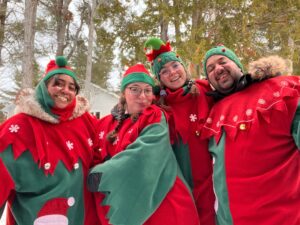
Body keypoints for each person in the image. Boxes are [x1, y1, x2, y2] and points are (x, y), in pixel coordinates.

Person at [87, 63, 200, 225]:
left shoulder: (154, 115)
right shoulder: (104, 124)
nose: (142, 96)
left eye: (147, 90)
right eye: (135, 89)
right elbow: (94, 155)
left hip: (163, 205)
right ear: (123, 93)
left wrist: (101, 174)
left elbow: (146, 153)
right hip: (123, 203)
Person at [201, 45, 300, 225]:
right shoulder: (213, 113)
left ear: (239, 65)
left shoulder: (280, 90)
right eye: (210, 69)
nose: (218, 68)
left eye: (222, 61)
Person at [0, 56, 101, 225]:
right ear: (44, 87)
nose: (65, 90)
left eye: (71, 87)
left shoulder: (86, 121)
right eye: (58, 83)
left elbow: (111, 144)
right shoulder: (18, 128)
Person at [144, 37, 216, 225]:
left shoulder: (205, 90)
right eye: (164, 71)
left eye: (175, 66)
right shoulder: (156, 104)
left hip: (210, 183)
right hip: (177, 187)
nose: (172, 73)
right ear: (159, 79)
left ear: (184, 67)